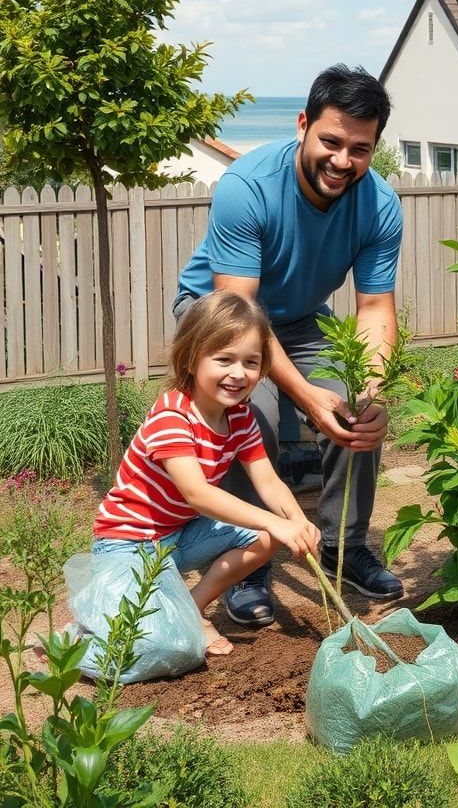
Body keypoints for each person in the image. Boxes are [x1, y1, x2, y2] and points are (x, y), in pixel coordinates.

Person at [176, 64, 403, 627]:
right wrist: (305, 397)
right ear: (303, 125)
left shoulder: (379, 205)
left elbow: (375, 309)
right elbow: (242, 317)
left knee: (354, 412)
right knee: (252, 412)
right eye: (330, 141)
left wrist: (367, 389)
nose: (343, 161)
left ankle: (342, 548)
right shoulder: (247, 187)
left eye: (360, 148)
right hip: (220, 316)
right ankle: (248, 562)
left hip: (301, 321)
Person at [91, 291, 320, 658]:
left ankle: (190, 609)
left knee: (267, 535)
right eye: (224, 359)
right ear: (191, 358)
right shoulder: (172, 417)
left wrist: (296, 520)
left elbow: (269, 482)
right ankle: (82, 631)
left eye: (251, 362)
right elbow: (198, 494)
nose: (238, 373)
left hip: (178, 538)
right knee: (138, 650)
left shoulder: (241, 418)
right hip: (128, 543)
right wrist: (277, 522)